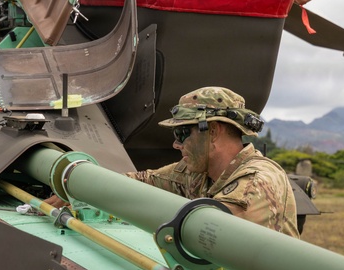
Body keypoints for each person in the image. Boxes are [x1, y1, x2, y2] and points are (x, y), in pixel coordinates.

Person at [129, 86, 300, 238]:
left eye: (181, 133)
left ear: (213, 131)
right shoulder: (200, 172)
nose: (176, 144)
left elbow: (210, 235)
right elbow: (143, 180)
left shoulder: (256, 182)